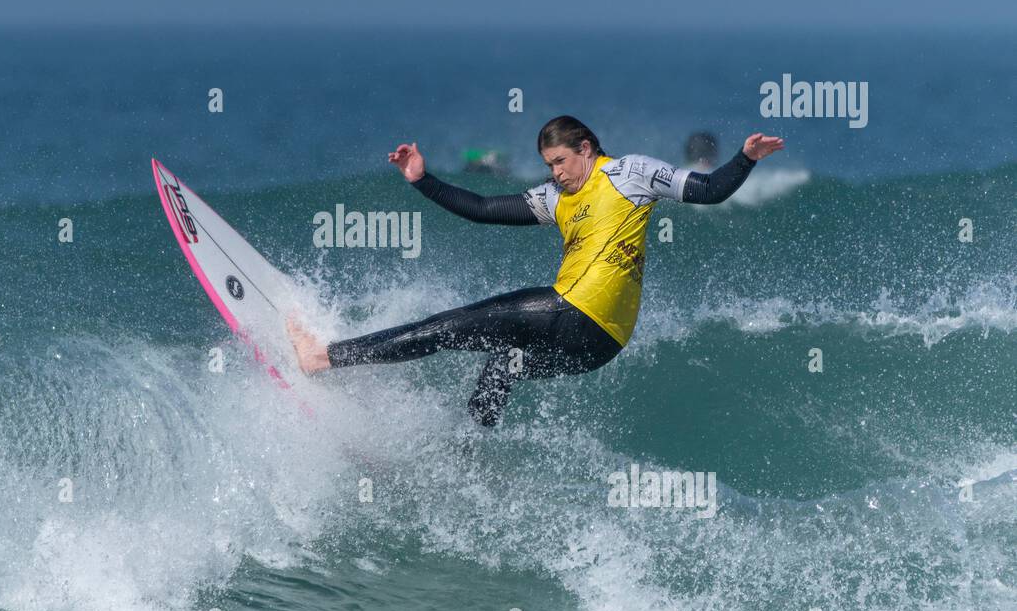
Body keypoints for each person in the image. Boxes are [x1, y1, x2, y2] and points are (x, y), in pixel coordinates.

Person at [286, 116, 784, 427]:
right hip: (597, 348)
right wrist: (422, 180)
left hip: (577, 315)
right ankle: (471, 458)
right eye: (549, 164)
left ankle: (325, 358)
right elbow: (482, 207)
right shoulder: (555, 198)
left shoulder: (628, 173)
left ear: (586, 148)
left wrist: (744, 158)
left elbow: (710, 189)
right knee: (501, 364)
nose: (556, 173)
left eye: (562, 161)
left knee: (452, 325)